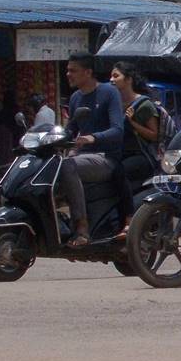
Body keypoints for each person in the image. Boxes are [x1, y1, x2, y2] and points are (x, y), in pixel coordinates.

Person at [57, 53, 127, 246]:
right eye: (67, 70)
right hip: (83, 157)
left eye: (73, 71)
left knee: (67, 165)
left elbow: (117, 130)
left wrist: (92, 138)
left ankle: (81, 227)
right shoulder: (75, 98)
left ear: (88, 72)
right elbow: (70, 130)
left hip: (106, 159)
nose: (68, 74)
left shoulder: (108, 93)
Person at [110, 60, 161, 188]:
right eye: (111, 76)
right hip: (118, 153)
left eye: (116, 76)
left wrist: (132, 123)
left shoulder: (143, 105)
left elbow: (154, 135)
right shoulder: (112, 103)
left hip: (140, 155)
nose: (111, 80)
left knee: (118, 173)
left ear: (128, 79)